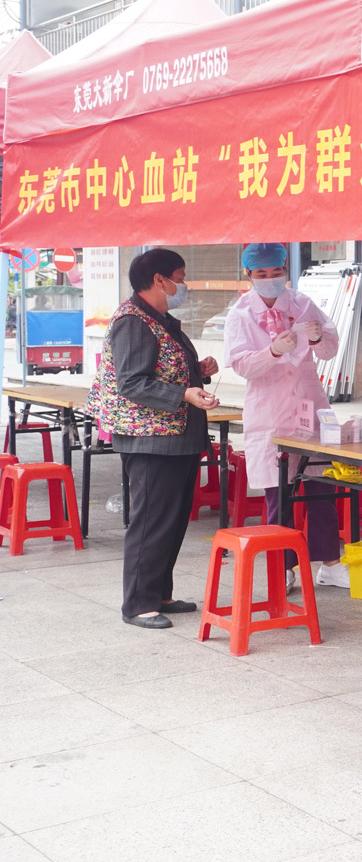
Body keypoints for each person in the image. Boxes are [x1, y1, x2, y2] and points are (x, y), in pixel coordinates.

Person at [87, 249, 220, 629]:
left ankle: (159, 592)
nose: (184, 285)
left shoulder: (158, 319)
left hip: (176, 436)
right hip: (151, 439)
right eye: (180, 277)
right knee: (151, 522)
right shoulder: (133, 321)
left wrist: (197, 372)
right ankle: (138, 603)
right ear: (159, 280)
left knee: (171, 521)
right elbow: (131, 382)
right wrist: (184, 394)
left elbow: (160, 369)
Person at [225, 242, 345, 590]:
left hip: (309, 404)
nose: (270, 278)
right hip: (270, 410)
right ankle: (284, 565)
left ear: (285, 270)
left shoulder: (302, 303)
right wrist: (273, 351)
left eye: (276, 272)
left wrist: (318, 337)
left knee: (321, 486)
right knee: (279, 495)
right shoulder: (240, 314)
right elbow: (243, 366)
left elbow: (330, 349)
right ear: (249, 275)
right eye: (261, 273)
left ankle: (330, 562)